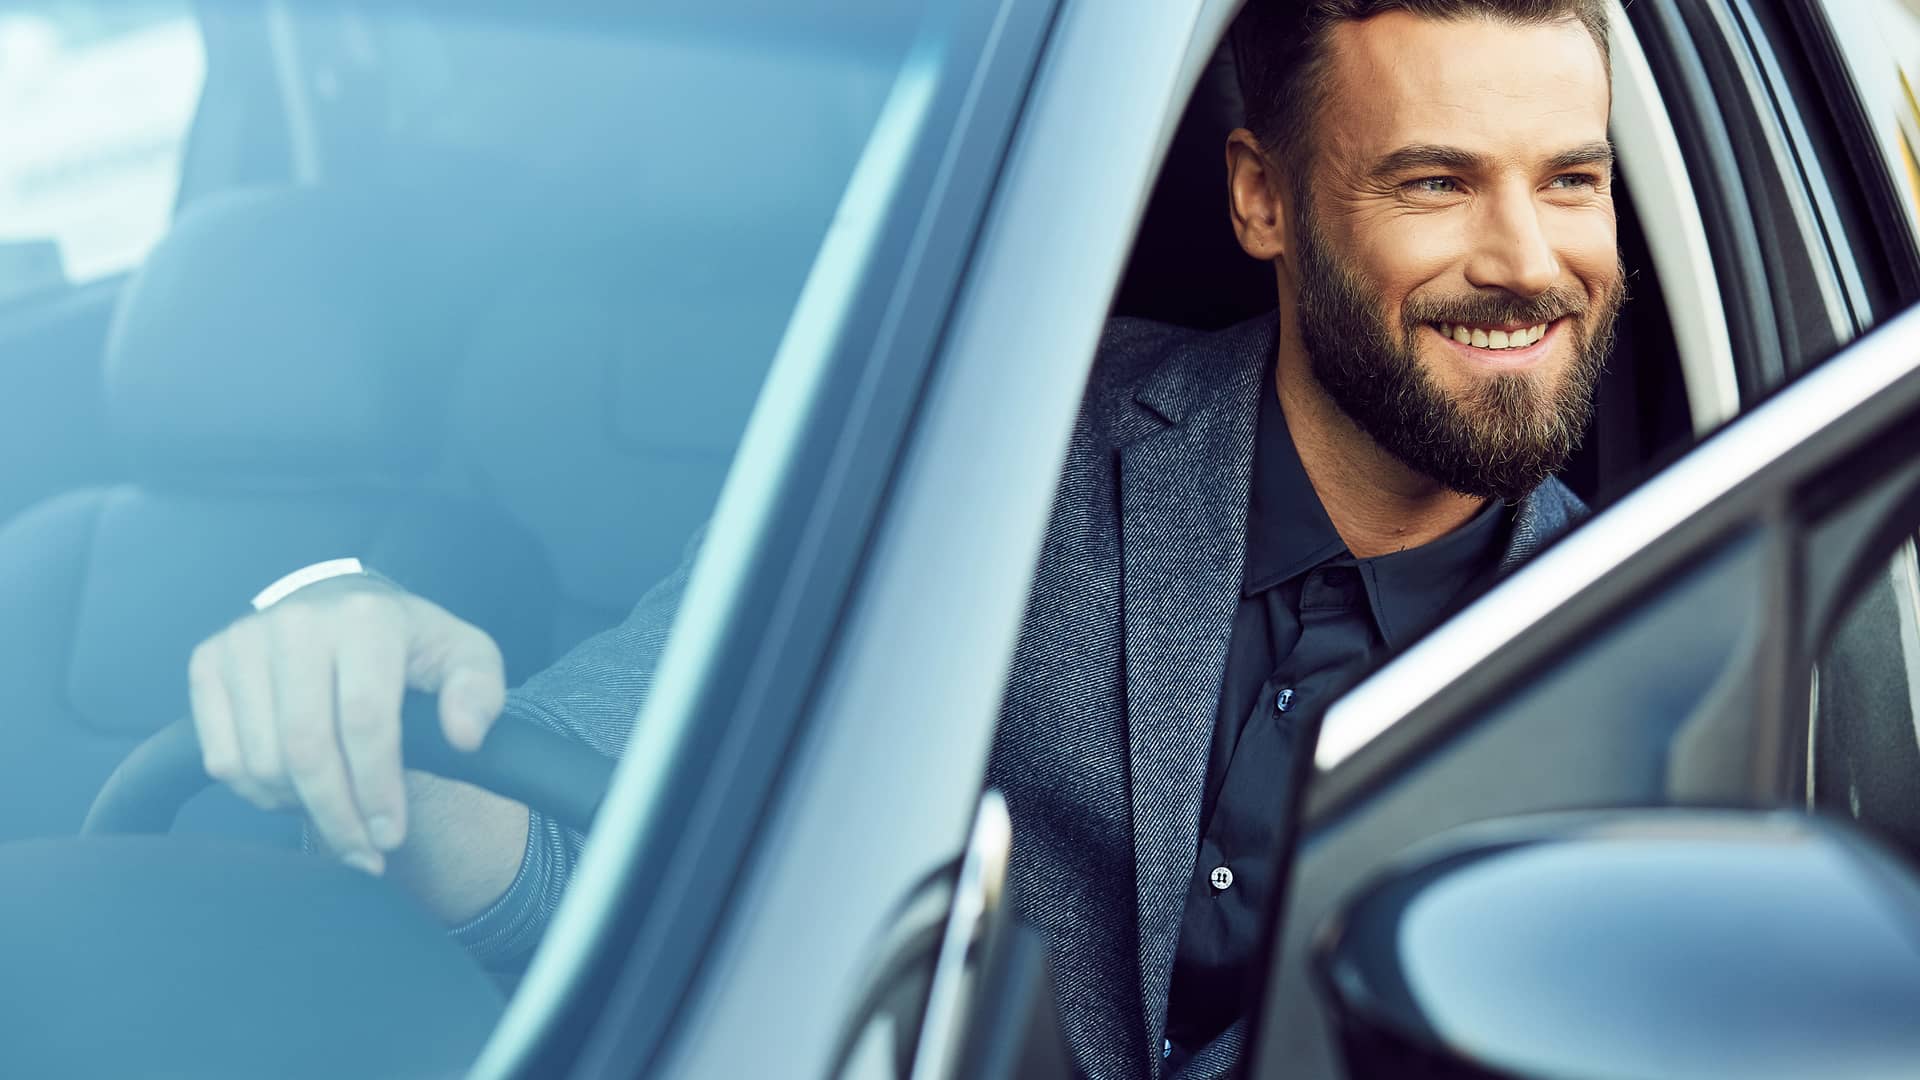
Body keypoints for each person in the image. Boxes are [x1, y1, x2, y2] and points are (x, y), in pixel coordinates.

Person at [185, 0, 1624, 1076]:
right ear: (1262, 196)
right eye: (1435, 184)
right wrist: (380, 692)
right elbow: (608, 813)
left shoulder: (1655, 631)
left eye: (1572, 180)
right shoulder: (1005, 420)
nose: (1525, 259)